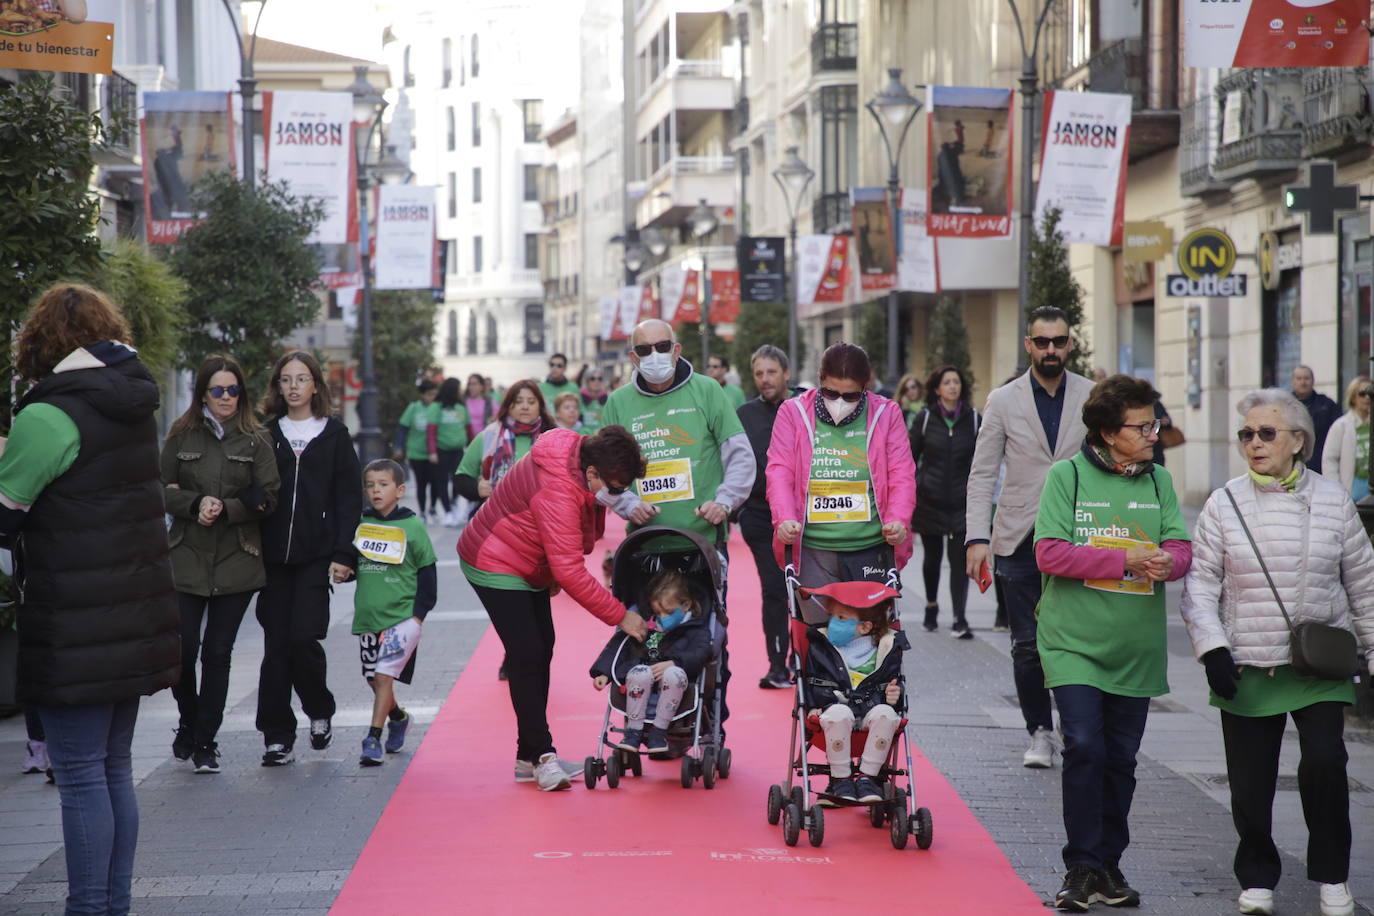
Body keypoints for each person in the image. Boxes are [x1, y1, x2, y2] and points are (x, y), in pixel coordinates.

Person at [1, 284, 178, 915]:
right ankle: (113, 906)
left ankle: (88, 909)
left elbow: (5, 513)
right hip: (133, 611)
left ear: (41, 340)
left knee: (78, 776)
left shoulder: (48, 414)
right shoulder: (131, 402)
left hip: (75, 618)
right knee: (111, 769)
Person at [1180, 388, 1374, 916]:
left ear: (1298, 441)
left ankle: (1333, 876)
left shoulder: (1334, 502)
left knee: (1326, 765)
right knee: (1250, 781)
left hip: (1318, 663)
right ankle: (1258, 876)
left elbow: (1364, 586)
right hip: (1248, 661)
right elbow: (1199, 586)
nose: (1254, 443)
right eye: (1247, 434)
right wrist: (1213, 648)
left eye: (1267, 433)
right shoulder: (1224, 503)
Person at [1032, 375, 1192, 912]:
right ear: (1107, 432)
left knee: (1121, 759)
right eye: (1143, 425)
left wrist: (1173, 560)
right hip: (1073, 640)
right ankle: (1080, 865)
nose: (1154, 433)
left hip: (1135, 645)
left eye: (1155, 423)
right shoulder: (1067, 477)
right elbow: (1050, 554)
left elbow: (1179, 545)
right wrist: (1123, 557)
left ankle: (1107, 866)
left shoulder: (1158, 483)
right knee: (1084, 746)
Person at [459, 426, 650, 791]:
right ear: (592, 472)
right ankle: (542, 756)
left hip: (528, 559)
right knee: (527, 653)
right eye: (612, 487)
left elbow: (564, 543)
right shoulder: (559, 488)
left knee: (541, 647)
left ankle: (526, 756)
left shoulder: (578, 455)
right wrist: (620, 615)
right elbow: (570, 570)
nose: (614, 495)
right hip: (493, 558)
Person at [965, 305, 1094, 769]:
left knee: (1075, 638)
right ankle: (1039, 731)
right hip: (1019, 536)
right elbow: (982, 474)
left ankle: (1076, 726)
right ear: (1029, 345)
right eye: (1042, 342)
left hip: (1079, 537)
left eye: (1059, 341)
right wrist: (976, 537)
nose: (1051, 350)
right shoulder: (1003, 400)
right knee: (1025, 643)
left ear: (1070, 343)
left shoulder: (1092, 396)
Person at [162, 354, 279, 774]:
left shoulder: (256, 438)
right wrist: (194, 503)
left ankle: (206, 741)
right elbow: (159, 489)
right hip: (186, 555)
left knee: (217, 652)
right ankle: (189, 721)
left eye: (233, 390)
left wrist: (227, 507)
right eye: (218, 390)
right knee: (181, 650)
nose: (226, 397)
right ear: (203, 394)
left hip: (238, 559)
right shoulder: (181, 434)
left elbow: (269, 496)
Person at [255, 351, 362, 767]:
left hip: (316, 556)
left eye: (302, 379)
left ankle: (319, 709)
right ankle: (277, 735)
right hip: (271, 558)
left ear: (315, 385)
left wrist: (343, 553)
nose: (294, 386)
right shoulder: (265, 434)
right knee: (275, 646)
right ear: (278, 387)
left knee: (304, 637)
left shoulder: (334, 434)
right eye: (286, 379)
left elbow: (348, 499)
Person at [767, 342, 915, 592]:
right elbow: (780, 471)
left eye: (851, 396)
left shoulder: (887, 413)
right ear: (820, 379)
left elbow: (902, 474)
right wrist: (784, 518)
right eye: (831, 393)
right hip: (813, 550)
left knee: (871, 629)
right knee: (817, 631)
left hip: (870, 548)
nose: (839, 402)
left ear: (865, 387)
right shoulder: (792, 412)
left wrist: (898, 520)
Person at [599, 319, 755, 550]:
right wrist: (627, 504)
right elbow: (599, 471)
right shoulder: (617, 402)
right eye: (644, 350)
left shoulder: (708, 390)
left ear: (676, 350)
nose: (654, 355)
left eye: (662, 346)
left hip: (705, 541)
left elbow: (741, 456)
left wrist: (724, 502)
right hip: (644, 542)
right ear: (633, 357)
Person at [339, 459, 437, 766]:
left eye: (383, 484)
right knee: (373, 679)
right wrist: (344, 570)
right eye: (370, 485)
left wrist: (418, 616)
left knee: (383, 677)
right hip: (368, 616)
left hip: (402, 617)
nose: (375, 491)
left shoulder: (412, 526)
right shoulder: (362, 523)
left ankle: (372, 739)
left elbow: (427, 571)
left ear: (400, 490)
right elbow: (357, 564)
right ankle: (398, 716)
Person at [799, 581, 906, 805]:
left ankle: (868, 778)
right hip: (833, 710)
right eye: (832, 617)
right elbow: (813, 682)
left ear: (865, 627)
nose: (831, 624)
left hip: (871, 710)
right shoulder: (821, 645)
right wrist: (815, 704)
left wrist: (894, 694)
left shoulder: (887, 647)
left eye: (840, 618)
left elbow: (893, 683)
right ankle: (841, 779)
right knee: (839, 713)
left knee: (887, 713)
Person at [590, 568, 712, 753]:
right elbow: (619, 646)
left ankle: (659, 731)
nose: (662, 617)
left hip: (676, 683)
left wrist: (676, 663)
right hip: (642, 678)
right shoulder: (646, 626)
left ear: (686, 605)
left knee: (674, 674)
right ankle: (634, 731)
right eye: (657, 612)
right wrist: (604, 672)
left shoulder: (695, 630)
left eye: (668, 612)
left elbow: (703, 653)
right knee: (640, 672)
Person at [737, 345, 797, 688]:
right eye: (759, 373)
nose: (765, 379)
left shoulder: (803, 409)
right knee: (774, 589)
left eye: (771, 372)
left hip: (803, 516)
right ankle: (777, 664)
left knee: (803, 590)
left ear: (785, 373)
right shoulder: (744, 414)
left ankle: (802, 661)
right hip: (760, 516)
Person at [909, 364, 979, 636]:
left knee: (959, 561)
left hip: (963, 502)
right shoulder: (926, 418)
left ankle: (960, 617)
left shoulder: (973, 418)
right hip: (930, 500)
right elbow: (909, 457)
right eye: (947, 382)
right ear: (937, 388)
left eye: (957, 382)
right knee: (932, 558)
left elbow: (984, 457)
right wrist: (913, 488)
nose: (953, 386)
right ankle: (930, 604)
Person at [454, 380, 553, 509]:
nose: (525, 406)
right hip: (494, 517)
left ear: (540, 406)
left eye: (531, 402)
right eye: (518, 401)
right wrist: (477, 488)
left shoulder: (551, 438)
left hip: (541, 517)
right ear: (508, 405)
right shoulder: (489, 436)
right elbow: (461, 478)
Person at [1320, 376, 1371, 501]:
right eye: (1362, 394)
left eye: (1370, 393)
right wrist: (1337, 490)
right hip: (1353, 488)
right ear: (1353, 397)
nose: (1367, 398)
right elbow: (1329, 460)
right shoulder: (1341, 425)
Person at [395, 379, 439, 523]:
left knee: (436, 482)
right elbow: (403, 428)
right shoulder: (414, 408)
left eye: (434, 394)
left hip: (435, 453)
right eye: (429, 395)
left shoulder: (438, 408)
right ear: (422, 395)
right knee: (421, 483)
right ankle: (423, 511)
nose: (431, 398)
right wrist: (399, 446)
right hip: (416, 453)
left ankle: (433, 508)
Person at [431, 377, 470, 526]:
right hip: (441, 450)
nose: (461, 391)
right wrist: (432, 451)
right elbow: (431, 432)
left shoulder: (461, 408)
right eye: (458, 388)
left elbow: (468, 428)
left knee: (458, 480)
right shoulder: (436, 407)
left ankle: (454, 504)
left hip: (458, 450)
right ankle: (447, 511)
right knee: (442, 481)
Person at [1291, 365, 1340, 473]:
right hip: (1291, 464)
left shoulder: (1326, 405)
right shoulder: (1285, 405)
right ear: (1293, 381)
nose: (1303, 382)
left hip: (1321, 464)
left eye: (1306, 378)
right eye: (1299, 379)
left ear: (1313, 381)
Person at [464, 373, 498, 442]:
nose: (471, 387)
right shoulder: (463, 401)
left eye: (474, 384)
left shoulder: (489, 402)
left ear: (482, 386)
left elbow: (500, 415)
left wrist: (493, 419)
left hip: (485, 439)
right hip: (467, 441)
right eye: (469, 384)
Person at [579, 369, 609, 433]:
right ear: (587, 381)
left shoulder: (608, 397)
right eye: (592, 379)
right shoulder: (579, 397)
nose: (596, 381)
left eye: (600, 379)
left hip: (603, 436)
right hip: (583, 435)